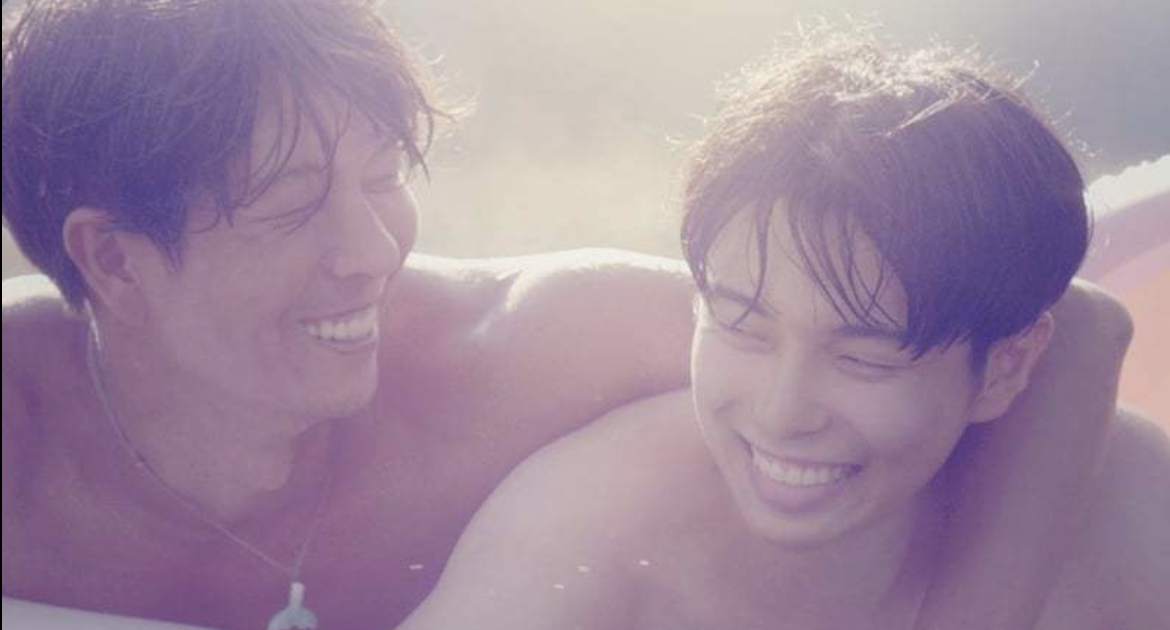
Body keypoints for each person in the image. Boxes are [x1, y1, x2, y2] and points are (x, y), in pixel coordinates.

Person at [0, 3, 1130, 630]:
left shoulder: (525, 348)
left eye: (384, 176)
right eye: (294, 205)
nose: (374, 250)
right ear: (111, 255)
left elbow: (1071, 325)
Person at [399, 29, 1166, 630]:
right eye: (742, 326)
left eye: (863, 358)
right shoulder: (593, 523)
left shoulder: (1132, 521)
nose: (782, 412)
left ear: (1005, 369)